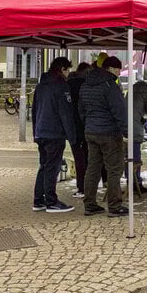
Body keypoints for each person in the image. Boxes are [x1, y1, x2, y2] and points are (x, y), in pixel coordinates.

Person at [79, 55, 128, 217]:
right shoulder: (110, 85)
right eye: (118, 69)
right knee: (114, 169)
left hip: (91, 131)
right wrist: (126, 131)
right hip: (109, 133)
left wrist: (89, 124)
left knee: (92, 168)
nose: (119, 73)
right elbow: (119, 111)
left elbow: (81, 110)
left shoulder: (86, 84)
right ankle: (114, 206)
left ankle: (90, 204)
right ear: (111, 68)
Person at [31, 57, 77, 213]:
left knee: (44, 166)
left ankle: (39, 200)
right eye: (68, 70)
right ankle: (51, 201)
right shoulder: (61, 86)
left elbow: (34, 110)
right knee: (52, 168)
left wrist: (35, 133)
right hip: (55, 133)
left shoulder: (40, 86)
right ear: (62, 69)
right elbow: (66, 113)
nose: (68, 73)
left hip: (41, 132)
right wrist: (72, 136)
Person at [66, 62, 92, 199]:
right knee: (88, 158)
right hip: (86, 127)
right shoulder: (87, 86)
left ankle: (81, 187)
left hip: (72, 128)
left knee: (78, 158)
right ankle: (87, 186)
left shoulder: (67, 85)